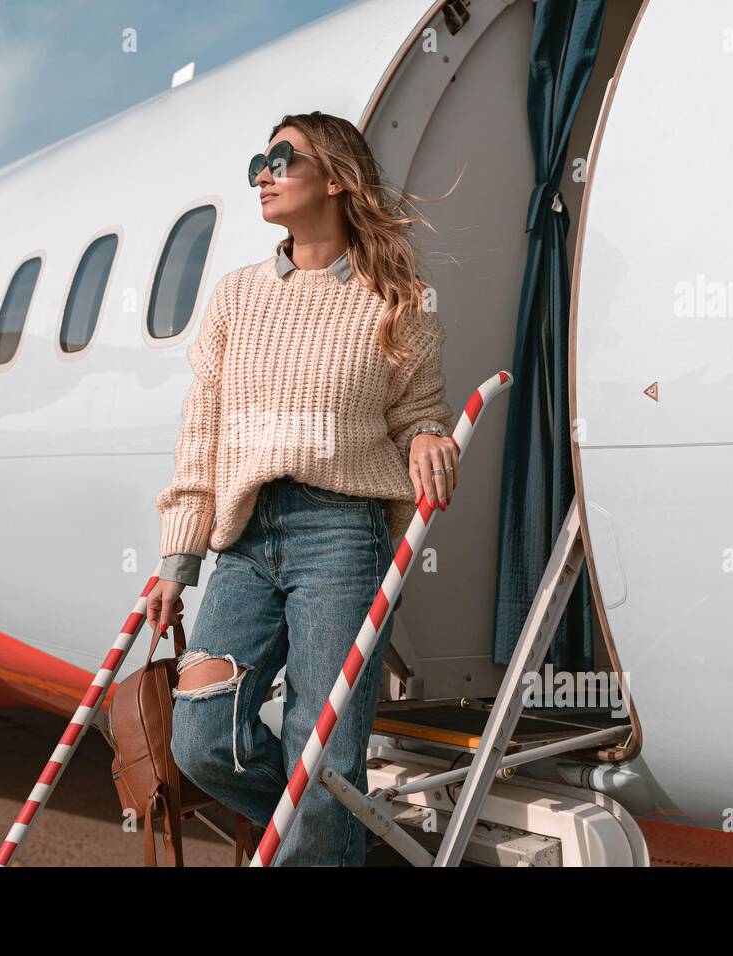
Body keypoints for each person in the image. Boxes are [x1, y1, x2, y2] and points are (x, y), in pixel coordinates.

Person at [146, 111, 458, 866]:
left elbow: (419, 410)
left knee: (324, 760)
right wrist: (177, 562)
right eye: (260, 158)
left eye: (283, 158)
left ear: (338, 178)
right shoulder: (235, 298)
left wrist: (426, 438)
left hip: (343, 536)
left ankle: (325, 827)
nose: (264, 171)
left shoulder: (399, 300)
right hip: (246, 540)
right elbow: (204, 435)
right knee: (200, 741)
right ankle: (331, 833)